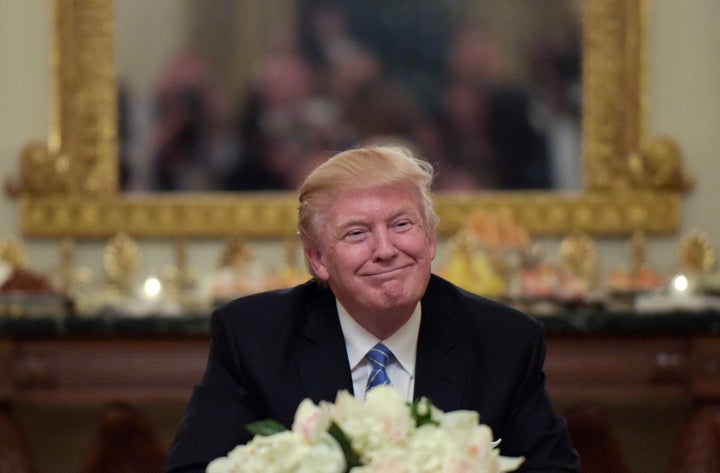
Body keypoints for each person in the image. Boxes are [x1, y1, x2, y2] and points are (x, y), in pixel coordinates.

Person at [165, 145, 580, 473]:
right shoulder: (254, 338)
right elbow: (196, 469)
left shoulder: (503, 341)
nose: (385, 250)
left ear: (431, 239)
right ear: (318, 260)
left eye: (402, 225)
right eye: (357, 233)